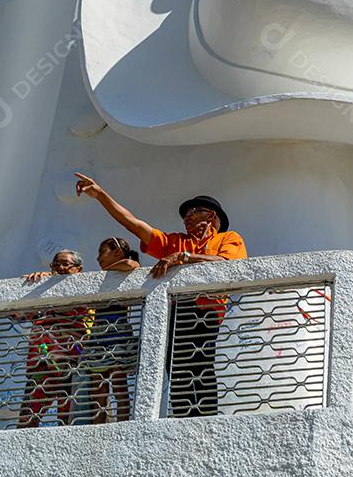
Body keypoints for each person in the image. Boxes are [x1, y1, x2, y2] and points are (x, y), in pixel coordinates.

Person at [74, 173, 246, 417]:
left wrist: (183, 257)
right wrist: (101, 195)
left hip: (205, 310)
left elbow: (226, 263)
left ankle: (206, 418)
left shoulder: (228, 238)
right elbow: (133, 224)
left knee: (200, 361)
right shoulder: (175, 241)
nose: (186, 218)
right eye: (185, 215)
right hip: (175, 309)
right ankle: (183, 418)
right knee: (174, 367)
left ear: (211, 215)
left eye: (192, 212)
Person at [14, 249, 94, 428]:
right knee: (26, 420)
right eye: (56, 265)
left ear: (79, 270)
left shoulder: (87, 289)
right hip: (41, 364)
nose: (60, 268)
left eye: (66, 264)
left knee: (68, 422)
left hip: (72, 364)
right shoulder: (43, 291)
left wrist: (49, 284)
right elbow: (19, 315)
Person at [81, 237, 140, 424]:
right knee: (97, 387)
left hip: (117, 334)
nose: (98, 258)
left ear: (117, 252)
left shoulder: (121, 272)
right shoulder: (102, 278)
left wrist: (106, 271)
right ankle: (97, 426)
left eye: (102, 251)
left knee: (118, 383)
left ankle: (123, 424)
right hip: (99, 335)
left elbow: (131, 264)